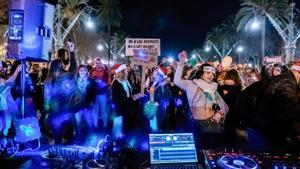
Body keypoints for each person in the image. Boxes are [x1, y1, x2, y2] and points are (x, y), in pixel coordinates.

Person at [174, 51, 228, 149]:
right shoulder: (191, 84)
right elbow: (177, 81)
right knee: (197, 151)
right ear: (201, 73)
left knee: (212, 152)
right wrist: (181, 63)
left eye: (212, 73)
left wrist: (219, 113)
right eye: (207, 72)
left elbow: (223, 105)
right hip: (196, 124)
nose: (210, 75)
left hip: (212, 124)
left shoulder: (213, 87)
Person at [254, 60, 300, 151]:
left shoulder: (284, 78)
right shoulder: (287, 82)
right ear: (297, 72)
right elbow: (291, 108)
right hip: (273, 129)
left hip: (268, 125)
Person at [218, 69, 242, 146]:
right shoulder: (238, 86)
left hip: (224, 110)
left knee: (225, 130)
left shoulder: (223, 86)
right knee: (232, 131)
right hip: (234, 111)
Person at [111, 64, 136, 135]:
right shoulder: (116, 83)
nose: (126, 73)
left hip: (127, 105)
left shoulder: (126, 81)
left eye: (125, 71)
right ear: (119, 73)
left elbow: (129, 92)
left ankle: (127, 134)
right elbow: (115, 97)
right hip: (121, 106)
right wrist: (118, 108)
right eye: (124, 71)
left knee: (127, 121)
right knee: (122, 123)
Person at [74, 65, 95, 141]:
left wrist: (92, 102)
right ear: (78, 72)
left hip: (87, 104)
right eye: (81, 70)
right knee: (78, 121)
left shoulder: (91, 81)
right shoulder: (75, 81)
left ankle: (90, 135)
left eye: (84, 70)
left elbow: (93, 93)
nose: (82, 72)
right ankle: (78, 136)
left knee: (88, 120)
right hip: (77, 105)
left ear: (86, 71)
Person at [89, 57, 110, 130]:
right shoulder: (91, 71)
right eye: (96, 63)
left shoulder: (105, 72)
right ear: (95, 63)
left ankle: (105, 126)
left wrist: (100, 82)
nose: (98, 64)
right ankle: (95, 126)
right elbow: (89, 82)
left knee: (104, 110)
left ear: (101, 63)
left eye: (99, 63)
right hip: (94, 94)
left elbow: (108, 83)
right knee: (95, 110)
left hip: (102, 94)